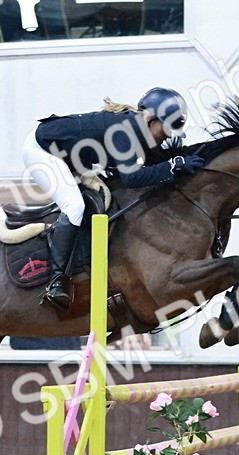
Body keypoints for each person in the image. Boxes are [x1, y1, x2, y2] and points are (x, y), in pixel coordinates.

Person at [22, 87, 205, 310]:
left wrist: (182, 161)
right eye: (165, 130)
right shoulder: (124, 131)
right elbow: (132, 178)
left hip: (66, 156)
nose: (166, 136)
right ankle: (56, 280)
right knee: (75, 206)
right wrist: (173, 166)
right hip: (42, 152)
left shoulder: (140, 130)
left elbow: (160, 160)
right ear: (151, 119)